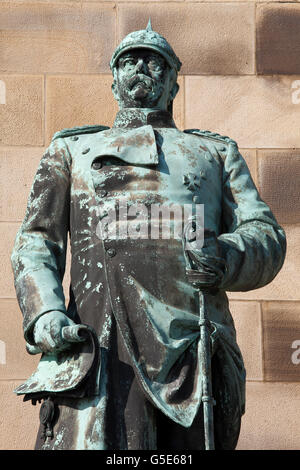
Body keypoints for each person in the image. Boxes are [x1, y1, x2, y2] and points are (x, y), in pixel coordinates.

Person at [11, 21, 286, 450]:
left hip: (193, 347)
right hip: (102, 345)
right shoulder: (70, 151)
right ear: (114, 80)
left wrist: (227, 256)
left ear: (174, 83)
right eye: (130, 61)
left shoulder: (215, 153)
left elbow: (266, 234)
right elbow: (35, 243)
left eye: (155, 63)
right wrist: (45, 313)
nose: (142, 67)